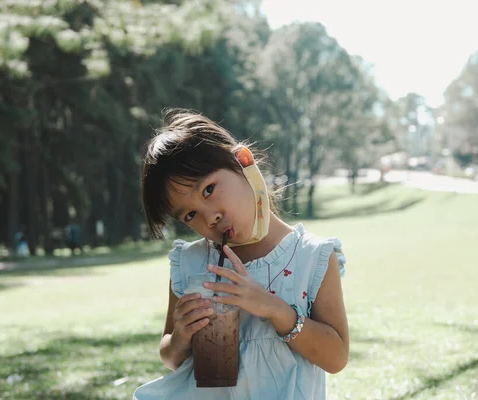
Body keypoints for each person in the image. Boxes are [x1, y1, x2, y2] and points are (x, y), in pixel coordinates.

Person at [133, 109, 349, 400]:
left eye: (209, 189)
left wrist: (275, 309)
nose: (210, 218)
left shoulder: (312, 257)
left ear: (243, 162)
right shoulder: (192, 264)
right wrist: (181, 337)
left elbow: (336, 358)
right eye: (190, 214)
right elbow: (171, 358)